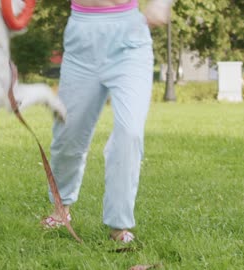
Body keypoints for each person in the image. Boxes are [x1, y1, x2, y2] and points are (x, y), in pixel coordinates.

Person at [42, 0, 172, 243]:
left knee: (130, 132)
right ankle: (61, 209)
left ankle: (118, 225)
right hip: (82, 35)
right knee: (68, 133)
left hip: (129, 37)